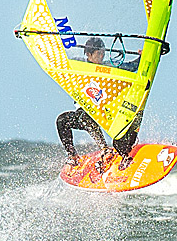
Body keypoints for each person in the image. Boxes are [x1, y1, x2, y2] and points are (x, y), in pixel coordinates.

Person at [56, 37, 143, 170]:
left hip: (105, 111)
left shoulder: (107, 67)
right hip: (84, 112)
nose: (102, 56)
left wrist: (142, 57)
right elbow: (60, 63)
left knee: (91, 117)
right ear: (88, 54)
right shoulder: (79, 67)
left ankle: (111, 150)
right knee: (62, 120)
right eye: (98, 53)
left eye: (103, 52)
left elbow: (131, 67)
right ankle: (73, 157)